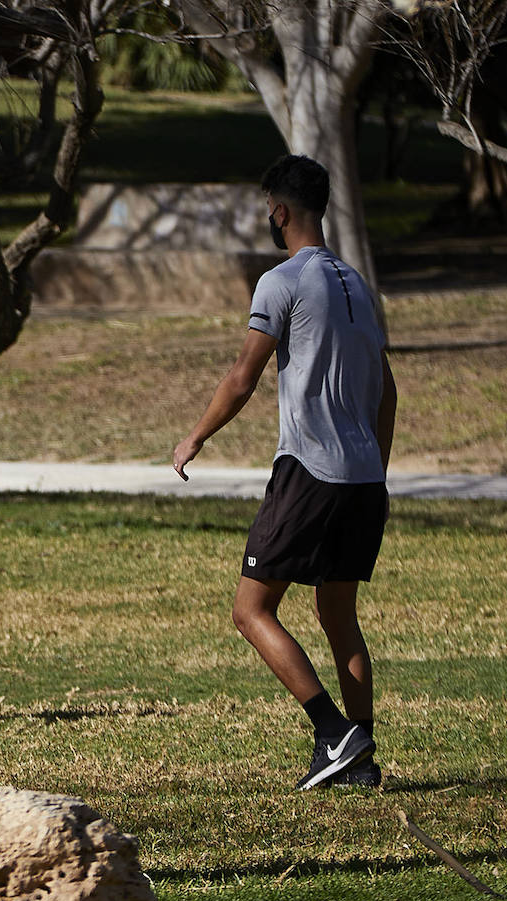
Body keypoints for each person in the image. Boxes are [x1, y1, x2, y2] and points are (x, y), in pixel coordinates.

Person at [172, 154, 397, 791]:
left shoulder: (282, 281)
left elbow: (243, 377)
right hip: (362, 477)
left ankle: (332, 732)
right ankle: (362, 761)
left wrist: (195, 436)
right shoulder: (358, 285)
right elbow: (388, 393)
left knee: (251, 611)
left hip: (310, 470)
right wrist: (375, 471)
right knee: (338, 616)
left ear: (280, 211)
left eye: (267, 207)